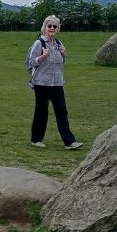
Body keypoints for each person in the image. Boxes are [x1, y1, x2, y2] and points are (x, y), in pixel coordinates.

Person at [26, 15, 84, 149]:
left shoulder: (59, 44)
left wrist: (64, 55)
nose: (52, 28)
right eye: (49, 26)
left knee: (62, 111)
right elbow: (31, 62)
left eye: (55, 26)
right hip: (41, 83)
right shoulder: (39, 43)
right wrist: (43, 56)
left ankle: (69, 142)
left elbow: (59, 64)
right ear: (44, 28)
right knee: (41, 112)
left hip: (57, 83)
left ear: (58, 29)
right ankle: (36, 140)